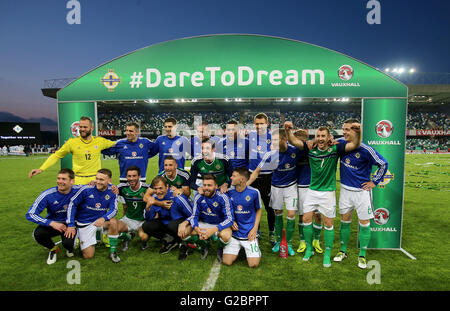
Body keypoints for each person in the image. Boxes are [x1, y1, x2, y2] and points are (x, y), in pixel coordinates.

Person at [284, 121, 361, 268]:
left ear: (328, 137)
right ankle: (309, 249)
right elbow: (293, 140)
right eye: (318, 135)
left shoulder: (335, 148)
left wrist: (358, 132)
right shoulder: (309, 147)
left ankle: (327, 254)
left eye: (323, 136)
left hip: (328, 192)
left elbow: (355, 145)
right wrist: (288, 130)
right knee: (306, 219)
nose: (320, 138)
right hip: (312, 191)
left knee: (328, 223)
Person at [333, 119, 389, 269]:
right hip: (345, 190)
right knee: (345, 221)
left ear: (356, 131)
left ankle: (362, 255)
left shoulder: (366, 150)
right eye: (343, 129)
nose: (344, 132)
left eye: (348, 129)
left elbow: (383, 164)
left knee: (364, 223)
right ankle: (342, 251)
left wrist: (374, 182)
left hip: (362, 192)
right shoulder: (341, 144)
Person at [247, 129, 306, 256]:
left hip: (291, 187)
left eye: (275, 140)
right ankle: (279, 242)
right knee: (278, 213)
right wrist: (246, 184)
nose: (272, 143)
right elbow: (256, 171)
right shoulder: (270, 154)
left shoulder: (295, 150)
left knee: (291, 214)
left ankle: (288, 243)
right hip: (276, 187)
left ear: (284, 139)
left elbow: (309, 149)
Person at [29, 116, 116, 184]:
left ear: (92, 128)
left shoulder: (99, 141)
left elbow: (116, 143)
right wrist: (41, 169)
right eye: (80, 127)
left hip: (95, 180)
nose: (82, 129)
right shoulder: (72, 142)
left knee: (95, 206)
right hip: (78, 180)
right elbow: (56, 155)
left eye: (85, 127)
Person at [26, 168, 80, 265]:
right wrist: (51, 223)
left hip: (70, 224)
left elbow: (97, 187)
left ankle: (70, 247)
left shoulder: (79, 190)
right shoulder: (47, 195)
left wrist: (113, 188)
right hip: (53, 223)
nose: (60, 182)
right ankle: (53, 249)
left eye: (63, 179)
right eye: (58, 178)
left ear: (72, 181)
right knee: (38, 234)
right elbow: (31, 214)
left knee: (69, 244)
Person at [65, 168, 120, 263]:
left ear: (109, 180)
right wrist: (70, 224)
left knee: (113, 222)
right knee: (88, 256)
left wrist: (104, 218)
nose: (98, 182)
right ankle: (84, 237)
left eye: (101, 180)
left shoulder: (112, 191)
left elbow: (114, 210)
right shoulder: (86, 189)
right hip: (84, 224)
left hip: (99, 222)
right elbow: (72, 204)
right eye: (97, 178)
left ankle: (113, 251)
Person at [179, 174, 233, 261]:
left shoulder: (223, 197)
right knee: (183, 233)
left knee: (226, 236)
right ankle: (204, 245)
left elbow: (230, 219)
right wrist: (196, 228)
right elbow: (194, 216)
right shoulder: (199, 196)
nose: (206, 188)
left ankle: (220, 248)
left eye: (209, 185)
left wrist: (214, 230)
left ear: (216, 186)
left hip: (218, 224)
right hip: (203, 224)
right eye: (204, 185)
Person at [139, 176, 193, 258]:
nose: (158, 191)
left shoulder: (177, 196)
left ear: (167, 186)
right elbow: (148, 219)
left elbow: (192, 214)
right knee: (147, 226)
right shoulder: (155, 199)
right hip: (167, 225)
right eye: (155, 189)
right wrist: (148, 207)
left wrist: (186, 224)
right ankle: (170, 240)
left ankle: (184, 243)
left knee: (172, 225)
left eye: (161, 188)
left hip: (180, 223)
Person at [223, 168, 262, 268]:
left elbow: (259, 210)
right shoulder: (229, 192)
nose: (231, 177)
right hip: (235, 233)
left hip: (249, 233)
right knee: (227, 262)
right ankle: (240, 249)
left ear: (242, 180)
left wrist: (255, 228)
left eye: (234, 176)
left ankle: (255, 248)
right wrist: (231, 222)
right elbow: (225, 209)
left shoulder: (254, 192)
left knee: (253, 264)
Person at [293, 129, 323, 255]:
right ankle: (302, 240)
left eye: (300, 141)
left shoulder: (314, 149)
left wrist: (312, 142)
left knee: (318, 215)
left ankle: (316, 240)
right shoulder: (294, 151)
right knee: (302, 215)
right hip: (300, 186)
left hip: (315, 186)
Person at [248, 113, 276, 246]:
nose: (259, 126)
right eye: (257, 124)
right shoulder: (251, 136)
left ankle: (272, 232)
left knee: (269, 207)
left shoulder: (273, 138)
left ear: (267, 124)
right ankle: (256, 231)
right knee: (253, 206)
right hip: (252, 176)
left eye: (262, 123)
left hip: (267, 176)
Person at [116, 166, 150, 251]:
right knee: (113, 229)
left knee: (143, 237)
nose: (131, 178)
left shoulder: (147, 188)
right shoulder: (122, 188)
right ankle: (127, 237)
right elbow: (107, 188)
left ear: (139, 177)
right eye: (129, 176)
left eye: (134, 176)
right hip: (128, 219)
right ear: (126, 177)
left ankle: (144, 242)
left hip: (142, 221)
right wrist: (94, 183)